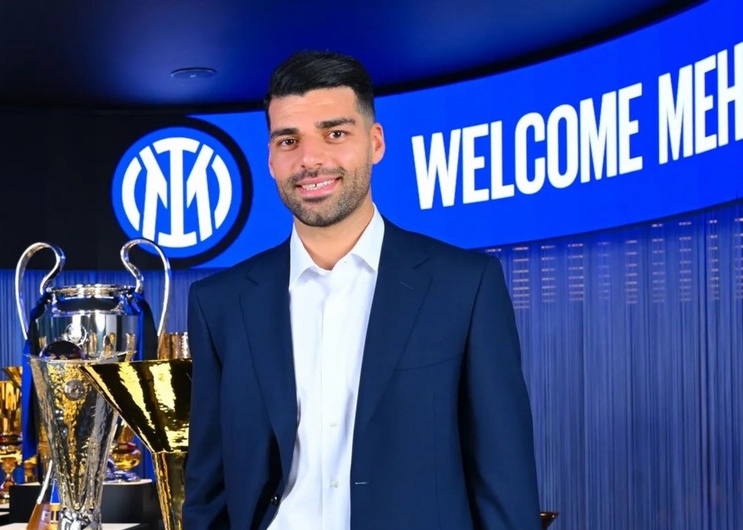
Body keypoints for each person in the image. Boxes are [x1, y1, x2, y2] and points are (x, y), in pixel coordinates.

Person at [183, 50, 541, 530]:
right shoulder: (220, 303)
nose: (310, 159)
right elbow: (208, 490)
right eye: (289, 140)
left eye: (335, 133)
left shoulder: (465, 286)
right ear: (270, 159)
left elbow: (505, 484)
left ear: (375, 143)